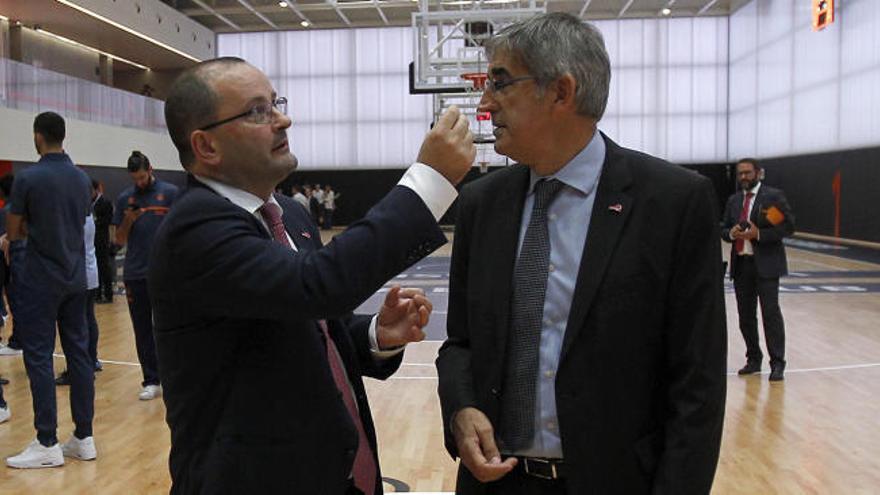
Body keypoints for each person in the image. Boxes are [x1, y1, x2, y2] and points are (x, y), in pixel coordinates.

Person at [151, 56, 474, 493]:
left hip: (333, 470)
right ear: (207, 147)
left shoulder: (290, 215)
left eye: (276, 103)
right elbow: (318, 285)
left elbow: (310, 324)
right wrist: (429, 181)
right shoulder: (195, 228)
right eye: (258, 111)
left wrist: (377, 334)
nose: (284, 119)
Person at [435, 13, 727, 494]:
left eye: (501, 84)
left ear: (561, 92)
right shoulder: (480, 204)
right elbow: (460, 344)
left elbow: (697, 385)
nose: (485, 103)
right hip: (496, 482)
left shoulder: (674, 202)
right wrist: (461, 408)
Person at [5, 111, 96, 469]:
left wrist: (32, 226)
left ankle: (47, 441)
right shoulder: (81, 178)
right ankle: (83, 437)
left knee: (39, 356)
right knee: (79, 355)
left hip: (41, 279)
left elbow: (13, 232)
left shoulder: (28, 178)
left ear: (37, 136)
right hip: (75, 278)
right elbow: (79, 221)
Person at [112, 151, 178, 401]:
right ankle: (151, 379)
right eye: (135, 179)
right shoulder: (124, 198)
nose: (139, 183)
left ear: (150, 169)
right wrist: (128, 220)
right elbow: (118, 240)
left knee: (168, 327)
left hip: (165, 273)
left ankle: (172, 377)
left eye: (142, 177)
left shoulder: (170, 193)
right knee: (142, 330)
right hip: (135, 274)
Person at [722, 158, 794, 382]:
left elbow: (787, 227)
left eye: (747, 173)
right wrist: (732, 233)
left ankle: (777, 363)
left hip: (767, 265)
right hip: (742, 265)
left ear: (758, 173)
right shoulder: (734, 201)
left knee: (770, 314)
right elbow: (723, 229)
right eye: (740, 173)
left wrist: (759, 235)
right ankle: (753, 358)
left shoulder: (772, 198)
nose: (743, 177)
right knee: (745, 317)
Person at [56, 183, 103, 385]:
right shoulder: (88, 215)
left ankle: (82, 367)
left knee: (77, 326)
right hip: (90, 275)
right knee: (88, 320)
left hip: (79, 277)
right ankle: (91, 361)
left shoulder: (78, 220)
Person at [92, 180, 115, 304]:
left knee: (104, 267)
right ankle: (97, 294)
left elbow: (108, 220)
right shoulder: (89, 203)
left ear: (96, 190)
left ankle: (109, 294)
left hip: (102, 239)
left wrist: (95, 222)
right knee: (95, 268)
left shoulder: (105, 203)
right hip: (91, 240)